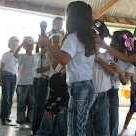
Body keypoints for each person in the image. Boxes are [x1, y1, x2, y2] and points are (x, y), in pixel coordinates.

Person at [38, 1, 96, 135]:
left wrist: (47, 44)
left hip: (80, 88)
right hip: (87, 86)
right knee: (78, 127)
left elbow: (64, 58)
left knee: (74, 129)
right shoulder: (87, 38)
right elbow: (80, 62)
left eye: (67, 14)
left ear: (73, 17)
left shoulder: (73, 37)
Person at [86, 20, 116, 136]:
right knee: (87, 130)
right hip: (88, 97)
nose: (96, 42)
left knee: (103, 131)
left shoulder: (105, 56)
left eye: (98, 39)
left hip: (103, 98)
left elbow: (112, 73)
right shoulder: (85, 56)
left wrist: (98, 60)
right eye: (94, 40)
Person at [36, 28, 67, 136]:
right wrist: (54, 49)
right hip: (54, 84)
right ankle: (43, 132)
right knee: (50, 110)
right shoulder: (50, 52)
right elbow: (54, 66)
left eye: (58, 38)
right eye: (54, 39)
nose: (56, 40)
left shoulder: (66, 52)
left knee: (62, 112)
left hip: (64, 85)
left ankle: (55, 132)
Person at [105, 30, 135, 136]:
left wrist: (118, 70)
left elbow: (125, 81)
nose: (112, 44)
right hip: (101, 90)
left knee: (113, 122)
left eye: (115, 42)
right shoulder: (108, 53)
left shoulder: (130, 62)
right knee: (101, 122)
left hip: (113, 91)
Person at [13, 36, 35, 129]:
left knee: (32, 104)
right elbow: (15, 54)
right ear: (24, 46)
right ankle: (21, 121)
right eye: (28, 45)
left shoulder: (36, 56)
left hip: (32, 83)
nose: (30, 47)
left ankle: (30, 120)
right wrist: (22, 43)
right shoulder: (22, 56)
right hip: (22, 83)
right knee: (21, 103)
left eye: (31, 45)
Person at [0, 36, 19, 125]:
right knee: (6, 97)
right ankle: (3, 116)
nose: (14, 46)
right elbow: (1, 67)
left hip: (14, 77)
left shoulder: (18, 56)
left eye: (16, 45)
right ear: (9, 45)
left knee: (10, 98)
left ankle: (7, 116)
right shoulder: (6, 54)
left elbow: (19, 66)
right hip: (6, 76)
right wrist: (0, 79)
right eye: (12, 44)